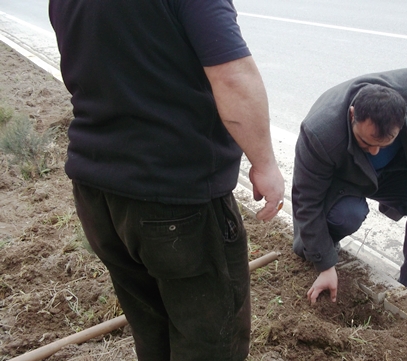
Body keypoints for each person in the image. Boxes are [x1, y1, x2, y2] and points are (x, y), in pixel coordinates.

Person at [49, 1, 284, 360]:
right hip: (175, 200)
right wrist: (265, 163)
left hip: (98, 195)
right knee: (211, 342)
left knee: (152, 330)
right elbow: (232, 76)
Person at [291, 67, 407, 304]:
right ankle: (325, 247)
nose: (374, 151)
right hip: (344, 178)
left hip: (390, 171)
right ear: (352, 115)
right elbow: (306, 202)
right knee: (347, 215)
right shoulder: (320, 133)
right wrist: (325, 265)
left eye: (384, 143)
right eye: (365, 142)